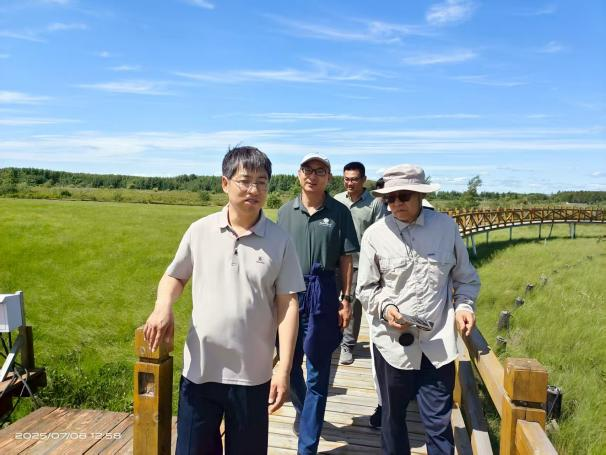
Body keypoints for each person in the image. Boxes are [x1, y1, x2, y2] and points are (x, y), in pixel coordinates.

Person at [143, 146, 305, 455]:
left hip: (253, 376)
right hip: (200, 371)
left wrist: (283, 368)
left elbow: (287, 305)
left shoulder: (280, 240)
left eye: (261, 182)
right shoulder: (200, 231)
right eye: (245, 180)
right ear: (225, 183)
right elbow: (174, 277)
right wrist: (163, 307)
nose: (254, 189)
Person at [357, 164, 480, 455]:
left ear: (421, 196)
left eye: (404, 196)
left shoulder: (446, 228)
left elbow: (465, 279)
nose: (396, 203)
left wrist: (464, 306)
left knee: (439, 425)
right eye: (390, 198)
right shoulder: (374, 235)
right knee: (392, 420)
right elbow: (365, 289)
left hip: (437, 345)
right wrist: (386, 308)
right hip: (392, 347)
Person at [277, 152, 359, 455]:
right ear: (298, 174)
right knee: (288, 363)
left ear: (328, 178)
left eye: (320, 171)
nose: (313, 175)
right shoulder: (285, 212)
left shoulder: (339, 212)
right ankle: (305, 410)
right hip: (289, 293)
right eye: (307, 169)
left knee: (318, 369)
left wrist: (346, 299)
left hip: (323, 291)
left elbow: (346, 258)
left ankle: (307, 447)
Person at [334, 162, 387, 366]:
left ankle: (347, 345)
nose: (350, 183)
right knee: (330, 301)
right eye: (346, 179)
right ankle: (333, 338)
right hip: (335, 260)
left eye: (354, 179)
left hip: (359, 262)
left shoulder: (375, 203)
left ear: (364, 180)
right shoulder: (337, 199)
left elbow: (380, 233)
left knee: (352, 304)